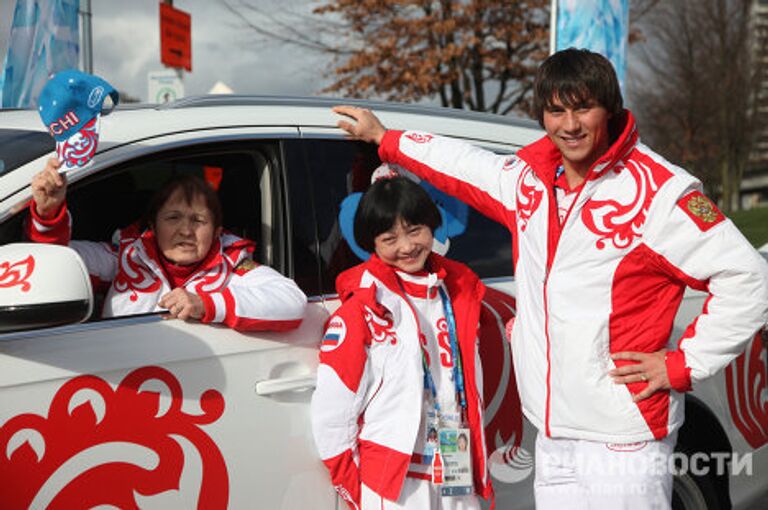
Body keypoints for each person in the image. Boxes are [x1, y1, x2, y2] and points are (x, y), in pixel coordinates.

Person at [332, 48, 768, 508]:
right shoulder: (528, 180)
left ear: (611, 108)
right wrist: (386, 139)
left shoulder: (661, 191)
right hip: (552, 430)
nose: (570, 125)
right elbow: (463, 164)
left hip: (623, 435)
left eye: (584, 108)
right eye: (556, 110)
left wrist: (682, 365)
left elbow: (751, 279)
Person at [311, 177, 492, 509]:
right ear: (372, 244)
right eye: (389, 238)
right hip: (395, 478)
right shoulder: (363, 309)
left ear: (432, 226)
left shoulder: (460, 292)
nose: (407, 247)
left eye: (415, 231)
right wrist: (357, 490)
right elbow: (331, 414)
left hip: (454, 454)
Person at [26, 157, 307, 331]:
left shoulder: (232, 266)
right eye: (173, 217)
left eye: (199, 220)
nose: (186, 229)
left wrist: (205, 304)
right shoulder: (121, 256)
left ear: (217, 231)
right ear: (152, 225)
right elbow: (52, 264)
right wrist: (49, 215)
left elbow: (293, 301)